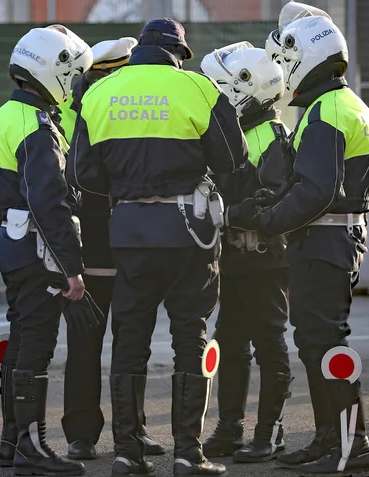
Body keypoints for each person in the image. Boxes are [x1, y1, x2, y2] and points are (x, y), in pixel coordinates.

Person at [67, 18, 247, 477]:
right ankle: (189, 453)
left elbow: (83, 176)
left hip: (128, 233)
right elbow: (233, 159)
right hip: (190, 232)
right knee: (192, 337)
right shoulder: (200, 89)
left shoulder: (97, 94)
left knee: (130, 340)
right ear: (178, 53)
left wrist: (128, 186)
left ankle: (127, 453)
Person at [227, 15, 369, 477]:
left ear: (302, 56)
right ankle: (328, 440)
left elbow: (316, 190)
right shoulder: (337, 104)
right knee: (315, 343)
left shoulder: (329, 109)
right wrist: (271, 203)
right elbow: (310, 183)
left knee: (327, 344)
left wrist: (269, 221)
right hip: (329, 239)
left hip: (325, 240)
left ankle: (352, 450)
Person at [0, 25, 100, 476]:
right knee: (37, 344)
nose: (75, 83)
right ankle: (34, 445)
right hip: (38, 249)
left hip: (12, 246)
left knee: (20, 341)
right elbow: (49, 203)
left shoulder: (2, 118)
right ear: (54, 70)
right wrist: (71, 269)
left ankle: (13, 442)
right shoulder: (38, 126)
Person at [57, 37, 164, 460]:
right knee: (111, 342)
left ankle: (124, 432)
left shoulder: (93, 109)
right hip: (102, 248)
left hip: (114, 247)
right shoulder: (84, 113)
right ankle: (90, 433)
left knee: (124, 343)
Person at [199, 42, 292, 463]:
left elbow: (272, 199)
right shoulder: (236, 133)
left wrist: (224, 214)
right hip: (234, 261)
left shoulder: (271, 135)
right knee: (230, 342)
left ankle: (269, 433)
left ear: (245, 88)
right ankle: (229, 428)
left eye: (220, 89)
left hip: (264, 260)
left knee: (269, 344)